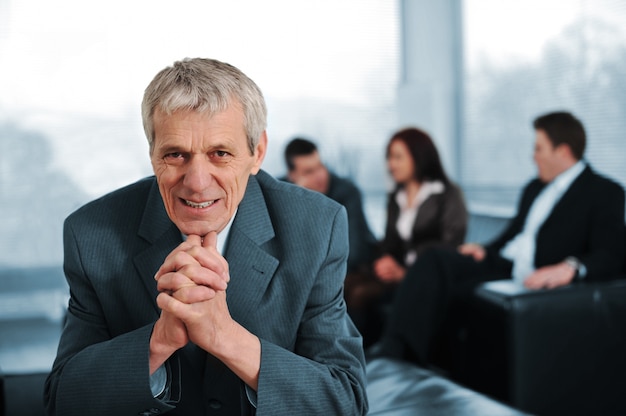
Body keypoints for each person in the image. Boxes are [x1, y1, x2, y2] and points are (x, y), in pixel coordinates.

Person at [44, 58, 368, 415]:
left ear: (256, 153)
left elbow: (345, 401)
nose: (197, 182)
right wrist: (158, 342)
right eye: (176, 154)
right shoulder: (90, 235)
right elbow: (63, 400)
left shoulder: (317, 226)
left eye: (220, 153)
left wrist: (226, 337)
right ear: (153, 155)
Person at [371, 111, 626, 366]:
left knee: (448, 280)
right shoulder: (534, 188)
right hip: (503, 263)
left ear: (563, 151)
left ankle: (396, 357)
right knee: (436, 260)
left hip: (534, 272)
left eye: (539, 148)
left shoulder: (604, 192)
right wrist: (485, 250)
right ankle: (399, 350)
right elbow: (515, 234)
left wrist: (572, 267)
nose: (533, 156)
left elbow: (612, 252)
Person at [345, 127, 468, 347]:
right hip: (395, 274)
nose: (391, 164)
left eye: (398, 157)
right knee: (343, 285)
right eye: (389, 157)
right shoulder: (396, 196)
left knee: (359, 293)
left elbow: (449, 247)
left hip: (425, 279)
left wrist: (405, 273)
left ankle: (361, 360)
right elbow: (390, 242)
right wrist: (384, 262)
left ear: (419, 156)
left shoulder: (447, 194)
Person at [282, 137, 377, 273]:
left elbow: (352, 253)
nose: (319, 176)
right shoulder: (281, 192)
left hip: (351, 271)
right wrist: (301, 198)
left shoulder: (347, 192)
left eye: (320, 166)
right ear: (292, 177)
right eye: (309, 172)